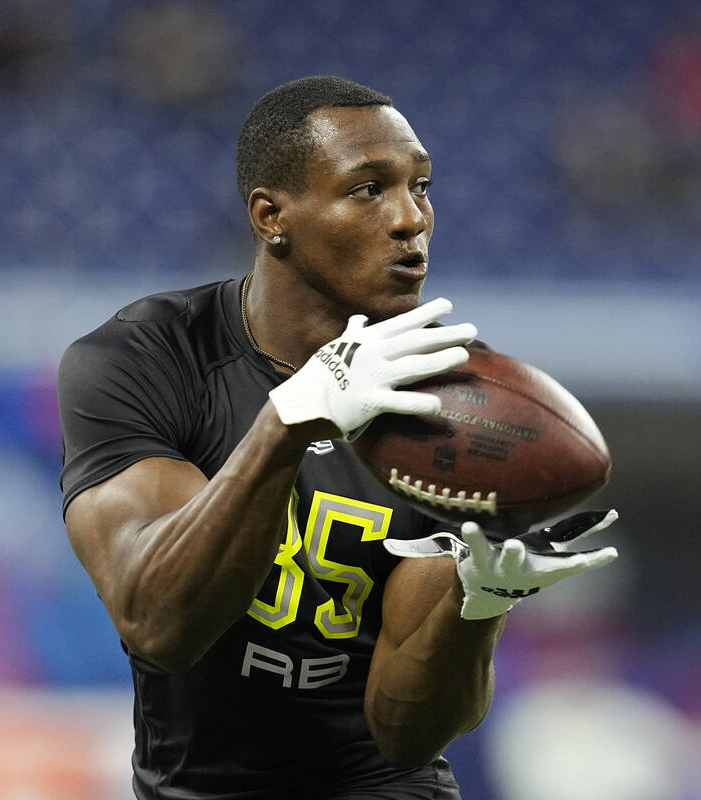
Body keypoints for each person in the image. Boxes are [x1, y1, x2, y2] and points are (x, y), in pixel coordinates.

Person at [57, 75, 619, 800]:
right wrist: (290, 420)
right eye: (368, 189)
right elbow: (158, 622)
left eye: (421, 187)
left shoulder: (452, 411)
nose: (410, 219)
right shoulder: (147, 359)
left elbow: (406, 734)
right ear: (271, 217)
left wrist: (477, 604)